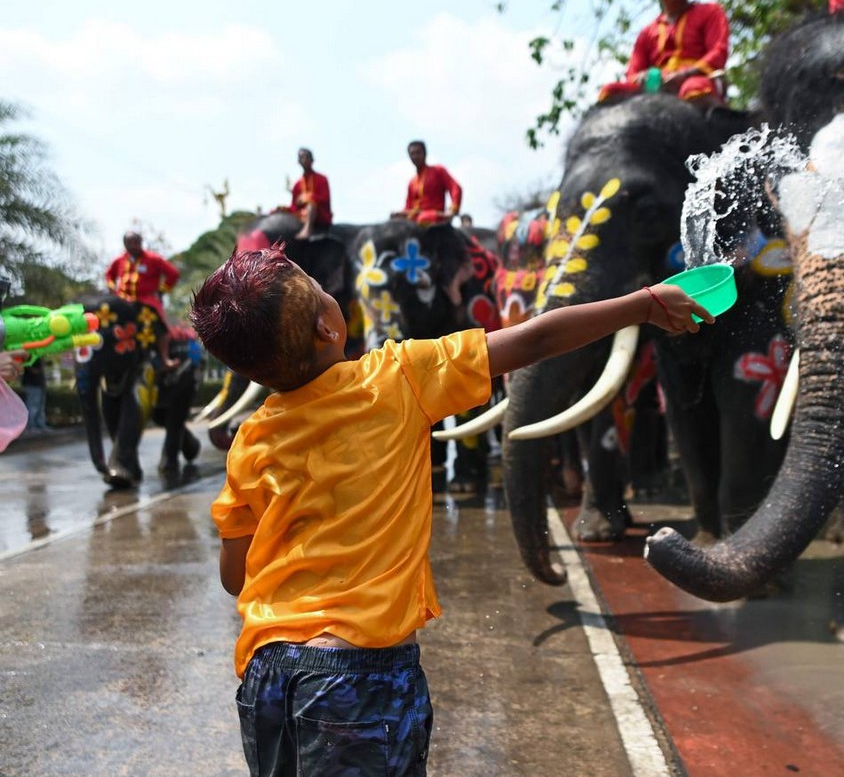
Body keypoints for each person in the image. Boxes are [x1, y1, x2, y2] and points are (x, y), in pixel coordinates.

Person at [189, 244, 710, 775]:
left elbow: (236, 576)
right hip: (358, 673)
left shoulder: (251, 440)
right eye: (324, 291)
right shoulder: (397, 377)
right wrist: (641, 306)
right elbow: (539, 336)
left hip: (267, 670)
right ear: (328, 328)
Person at [598, 0, 729, 107]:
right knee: (610, 91)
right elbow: (633, 74)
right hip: (655, 88)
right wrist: (643, 78)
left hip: (698, 81)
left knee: (693, 88)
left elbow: (718, 52)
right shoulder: (646, 33)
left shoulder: (710, 11)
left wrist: (683, 75)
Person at [105, 230, 181, 369]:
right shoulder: (119, 260)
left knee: (160, 327)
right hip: (122, 301)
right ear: (125, 244)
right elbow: (109, 274)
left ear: (141, 243)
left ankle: (165, 359)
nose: (133, 246)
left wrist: (162, 290)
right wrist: (111, 287)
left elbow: (173, 274)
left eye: (136, 242)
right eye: (129, 243)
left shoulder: (154, 259)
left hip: (146, 302)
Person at [399, 140, 462, 226]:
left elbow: (455, 187)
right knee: (393, 222)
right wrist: (399, 215)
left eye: (418, 153)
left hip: (434, 216)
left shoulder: (438, 171)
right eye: (412, 154)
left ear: (425, 154)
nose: (415, 156)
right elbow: (408, 206)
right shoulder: (412, 182)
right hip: (415, 216)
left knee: (423, 218)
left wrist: (453, 210)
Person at [287, 147, 333, 240]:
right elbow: (293, 207)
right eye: (301, 158)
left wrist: (308, 197)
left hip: (320, 215)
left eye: (306, 157)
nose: (303, 160)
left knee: (311, 205)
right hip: (301, 216)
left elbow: (326, 199)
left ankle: (307, 230)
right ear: (298, 161)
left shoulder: (322, 178)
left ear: (312, 160)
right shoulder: (297, 184)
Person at [20, 359, 48, 433]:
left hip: (39, 383)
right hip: (32, 384)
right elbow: (27, 367)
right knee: (32, 406)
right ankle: (31, 426)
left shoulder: (38, 357)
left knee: (40, 406)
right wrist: (35, 371)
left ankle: (40, 424)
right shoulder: (30, 356)